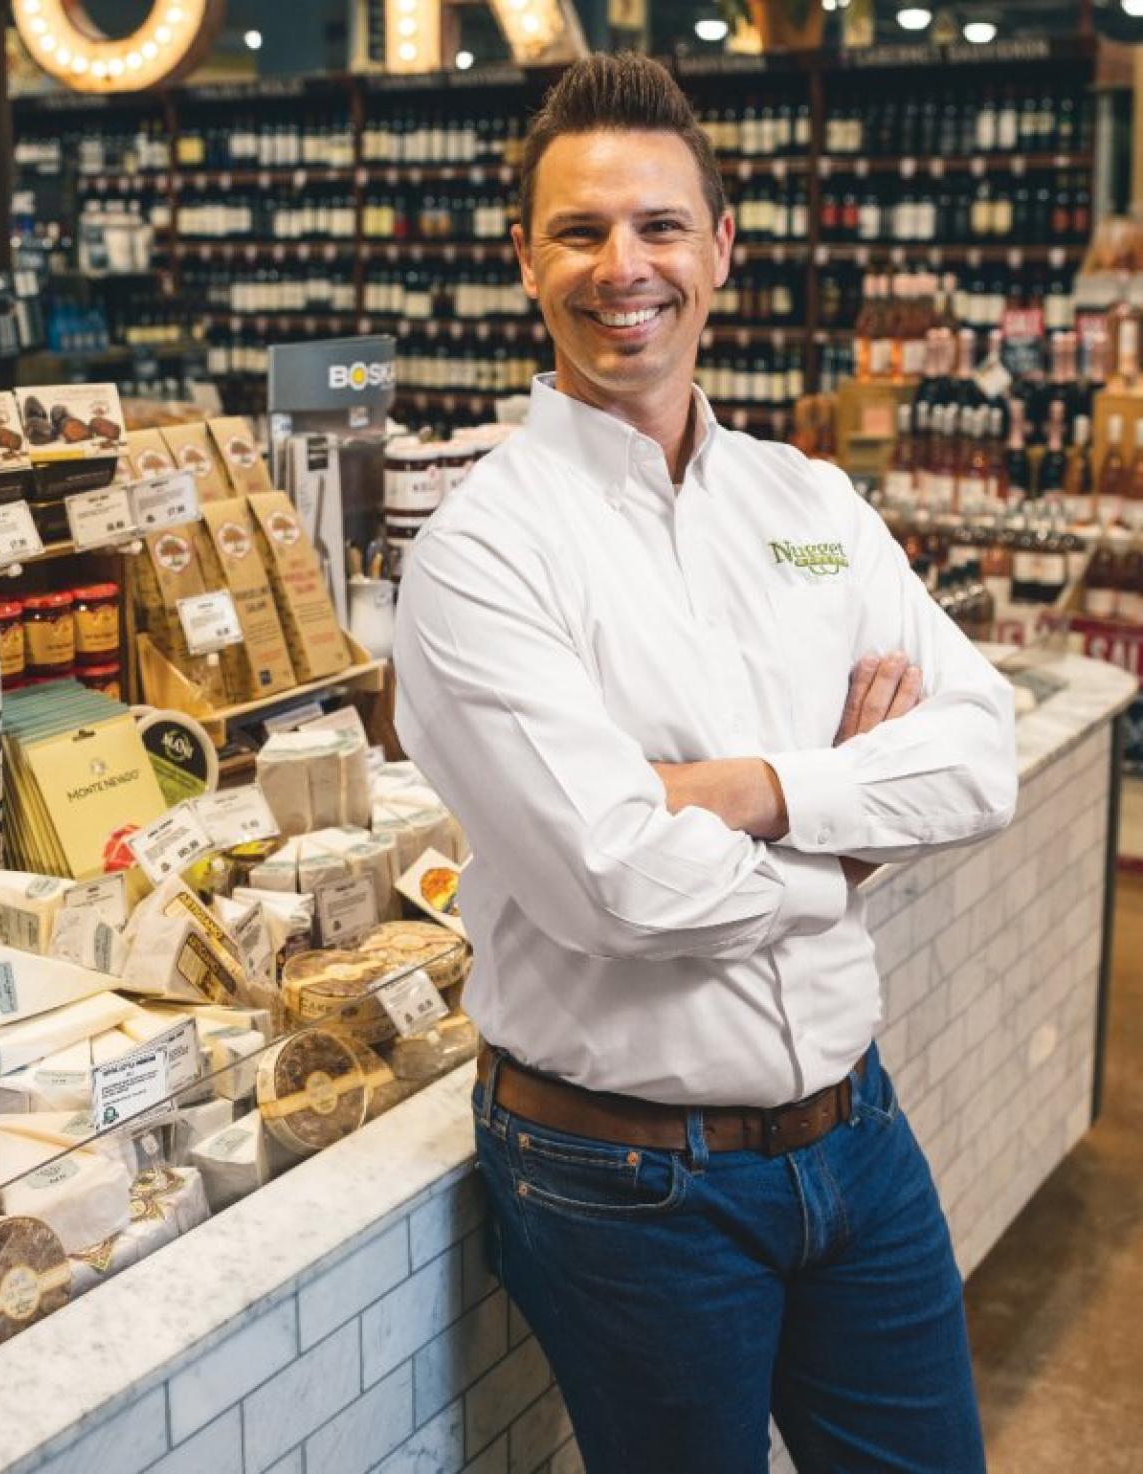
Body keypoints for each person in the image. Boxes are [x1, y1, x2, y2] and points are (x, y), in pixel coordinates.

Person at [393, 52, 1016, 1474]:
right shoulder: (482, 551)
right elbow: (617, 885)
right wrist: (852, 840)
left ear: (722, 248)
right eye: (582, 230)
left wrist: (749, 792)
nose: (627, 266)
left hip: (859, 1132)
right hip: (624, 1177)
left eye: (662, 226)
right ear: (524, 261)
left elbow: (982, 757)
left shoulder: (810, 504)